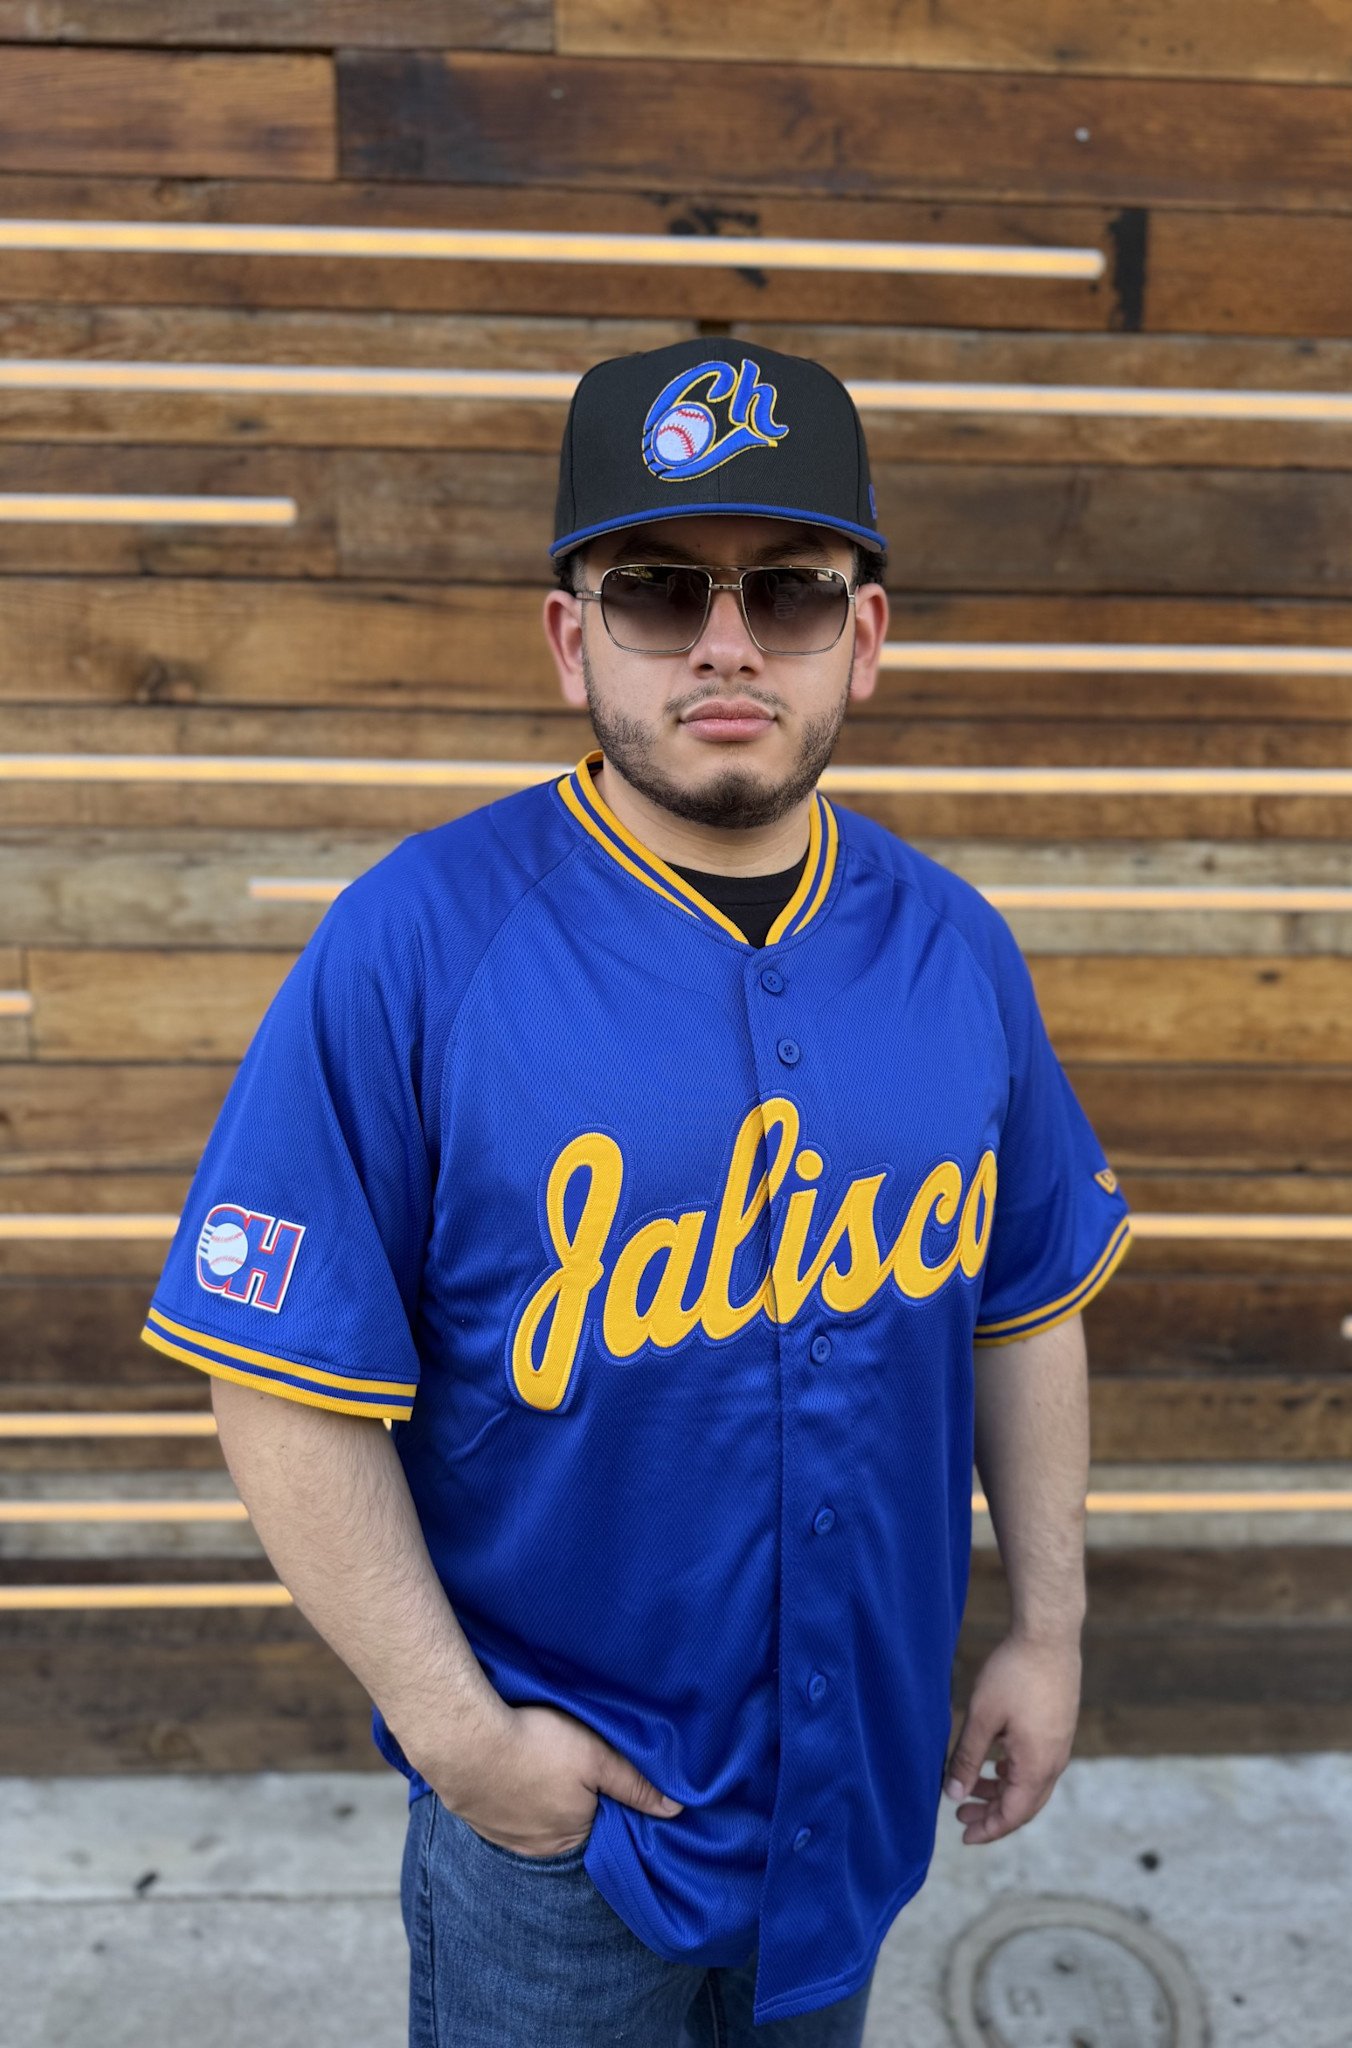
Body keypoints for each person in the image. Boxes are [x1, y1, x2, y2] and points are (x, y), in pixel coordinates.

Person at [138, 337, 1134, 2045]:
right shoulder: (417, 942)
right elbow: (278, 1382)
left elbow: (1025, 1308)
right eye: (659, 590)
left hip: (857, 1801)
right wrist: (462, 1741)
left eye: (790, 592)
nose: (726, 644)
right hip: (558, 1857)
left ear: (864, 638)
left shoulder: (957, 948)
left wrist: (1050, 1632)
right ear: (569, 637)